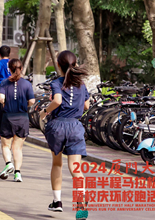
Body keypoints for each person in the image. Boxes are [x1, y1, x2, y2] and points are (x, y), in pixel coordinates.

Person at [40, 51, 90, 218]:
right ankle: (81, 205)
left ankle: (57, 202)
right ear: (75, 65)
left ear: (59, 66)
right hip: (75, 127)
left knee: (57, 164)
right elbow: (86, 106)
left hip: (58, 126)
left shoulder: (57, 83)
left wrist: (45, 112)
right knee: (75, 168)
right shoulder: (81, 84)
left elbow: (58, 101)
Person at [0, 58, 34, 182]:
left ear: (9, 69)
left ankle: (8, 164)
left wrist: (5, 103)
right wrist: (25, 105)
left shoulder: (4, 82)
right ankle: (18, 173)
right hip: (22, 118)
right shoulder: (27, 84)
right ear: (21, 68)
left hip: (8, 117)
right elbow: (32, 101)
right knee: (17, 148)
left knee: (5, 145)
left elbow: (0, 97)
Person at [0, 45, 11, 138]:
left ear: (0, 54)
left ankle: (1, 132)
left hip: (1, 85)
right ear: (9, 53)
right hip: (11, 85)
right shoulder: (12, 62)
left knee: (0, 109)